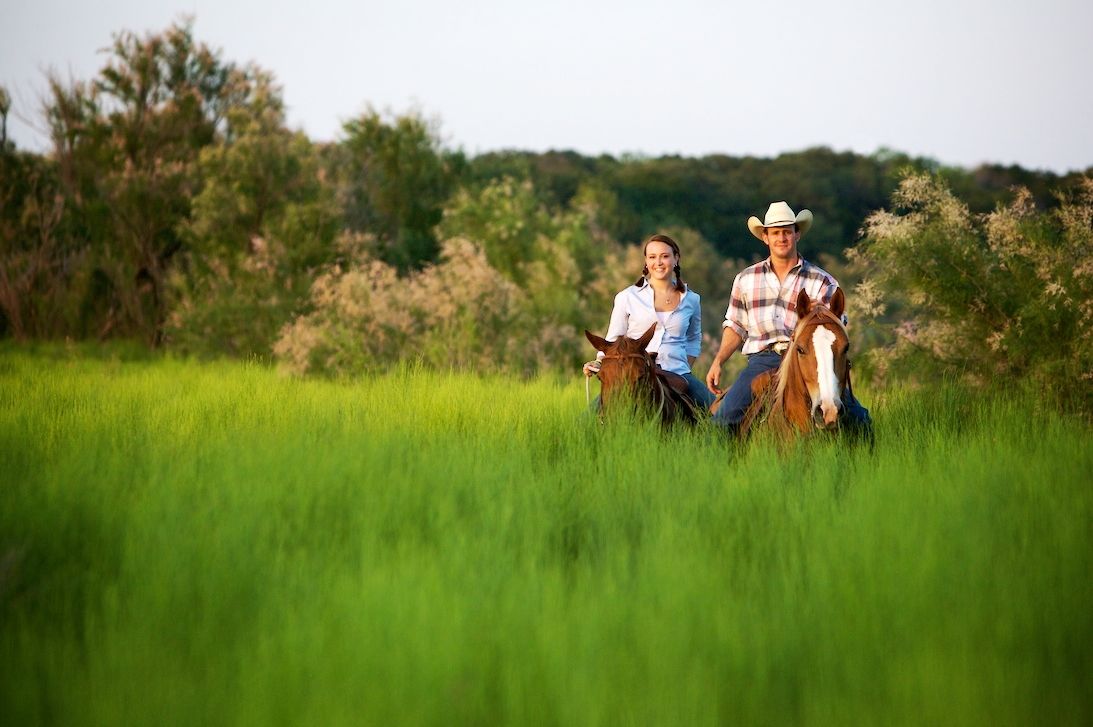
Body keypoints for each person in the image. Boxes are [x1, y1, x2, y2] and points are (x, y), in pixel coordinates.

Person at [705, 201, 872, 434]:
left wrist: (819, 313)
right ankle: (720, 466)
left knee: (858, 418)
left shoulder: (821, 281)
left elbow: (836, 328)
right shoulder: (745, 279)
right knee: (723, 420)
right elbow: (735, 325)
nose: (781, 238)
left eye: (787, 231)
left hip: (808, 360)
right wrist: (718, 361)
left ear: (797, 234)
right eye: (775, 233)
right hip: (762, 360)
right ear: (765, 237)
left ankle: (866, 461)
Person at [584, 234, 715, 410]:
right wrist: (599, 362)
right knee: (584, 421)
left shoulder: (692, 299)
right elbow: (613, 339)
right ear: (646, 262)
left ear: (676, 259)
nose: (658, 262)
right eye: (652, 257)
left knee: (719, 414)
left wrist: (684, 366)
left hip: (678, 372)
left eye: (665, 256)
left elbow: (693, 339)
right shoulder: (626, 297)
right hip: (632, 373)